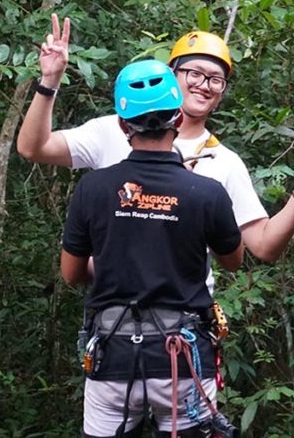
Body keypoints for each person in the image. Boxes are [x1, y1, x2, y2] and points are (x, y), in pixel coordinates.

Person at [18, 14, 294, 264]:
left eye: (216, 80)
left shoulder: (223, 162)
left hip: (186, 321)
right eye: (194, 73)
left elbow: (263, 246)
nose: (204, 85)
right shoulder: (114, 129)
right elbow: (34, 148)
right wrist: (49, 81)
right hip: (114, 317)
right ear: (171, 74)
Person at [61, 59, 243, 437]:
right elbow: (233, 260)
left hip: (113, 356)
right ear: (178, 118)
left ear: (123, 124)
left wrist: (116, 258)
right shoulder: (205, 192)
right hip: (183, 360)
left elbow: (71, 274)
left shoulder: (93, 189)